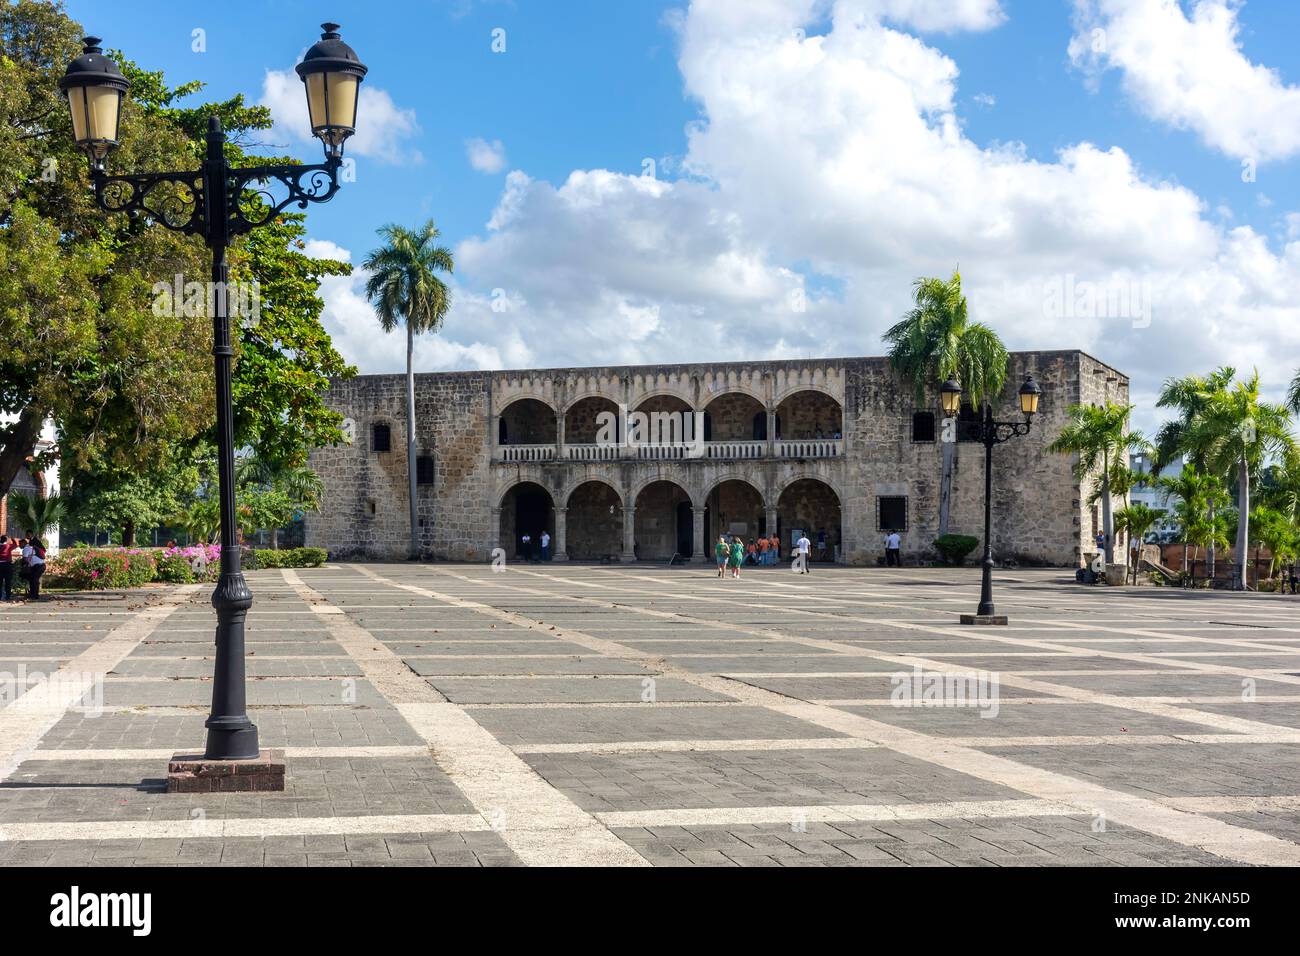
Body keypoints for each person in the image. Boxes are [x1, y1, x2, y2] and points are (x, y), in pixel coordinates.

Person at [23, 531, 45, 601]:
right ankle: (33, 594)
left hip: (38, 564)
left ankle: (34, 595)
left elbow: (43, 550)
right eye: (26, 534)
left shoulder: (34, 541)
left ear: (31, 534)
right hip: (37, 563)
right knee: (33, 579)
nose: (26, 535)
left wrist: (36, 554)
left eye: (28, 534)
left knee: (34, 580)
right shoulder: (31, 541)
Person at [0, 534, 13, 601]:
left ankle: (0, 596)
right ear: (6, 540)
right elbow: (16, 544)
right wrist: (11, 539)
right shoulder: (9, 546)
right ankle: (8, 596)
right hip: (8, 564)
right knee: (8, 581)